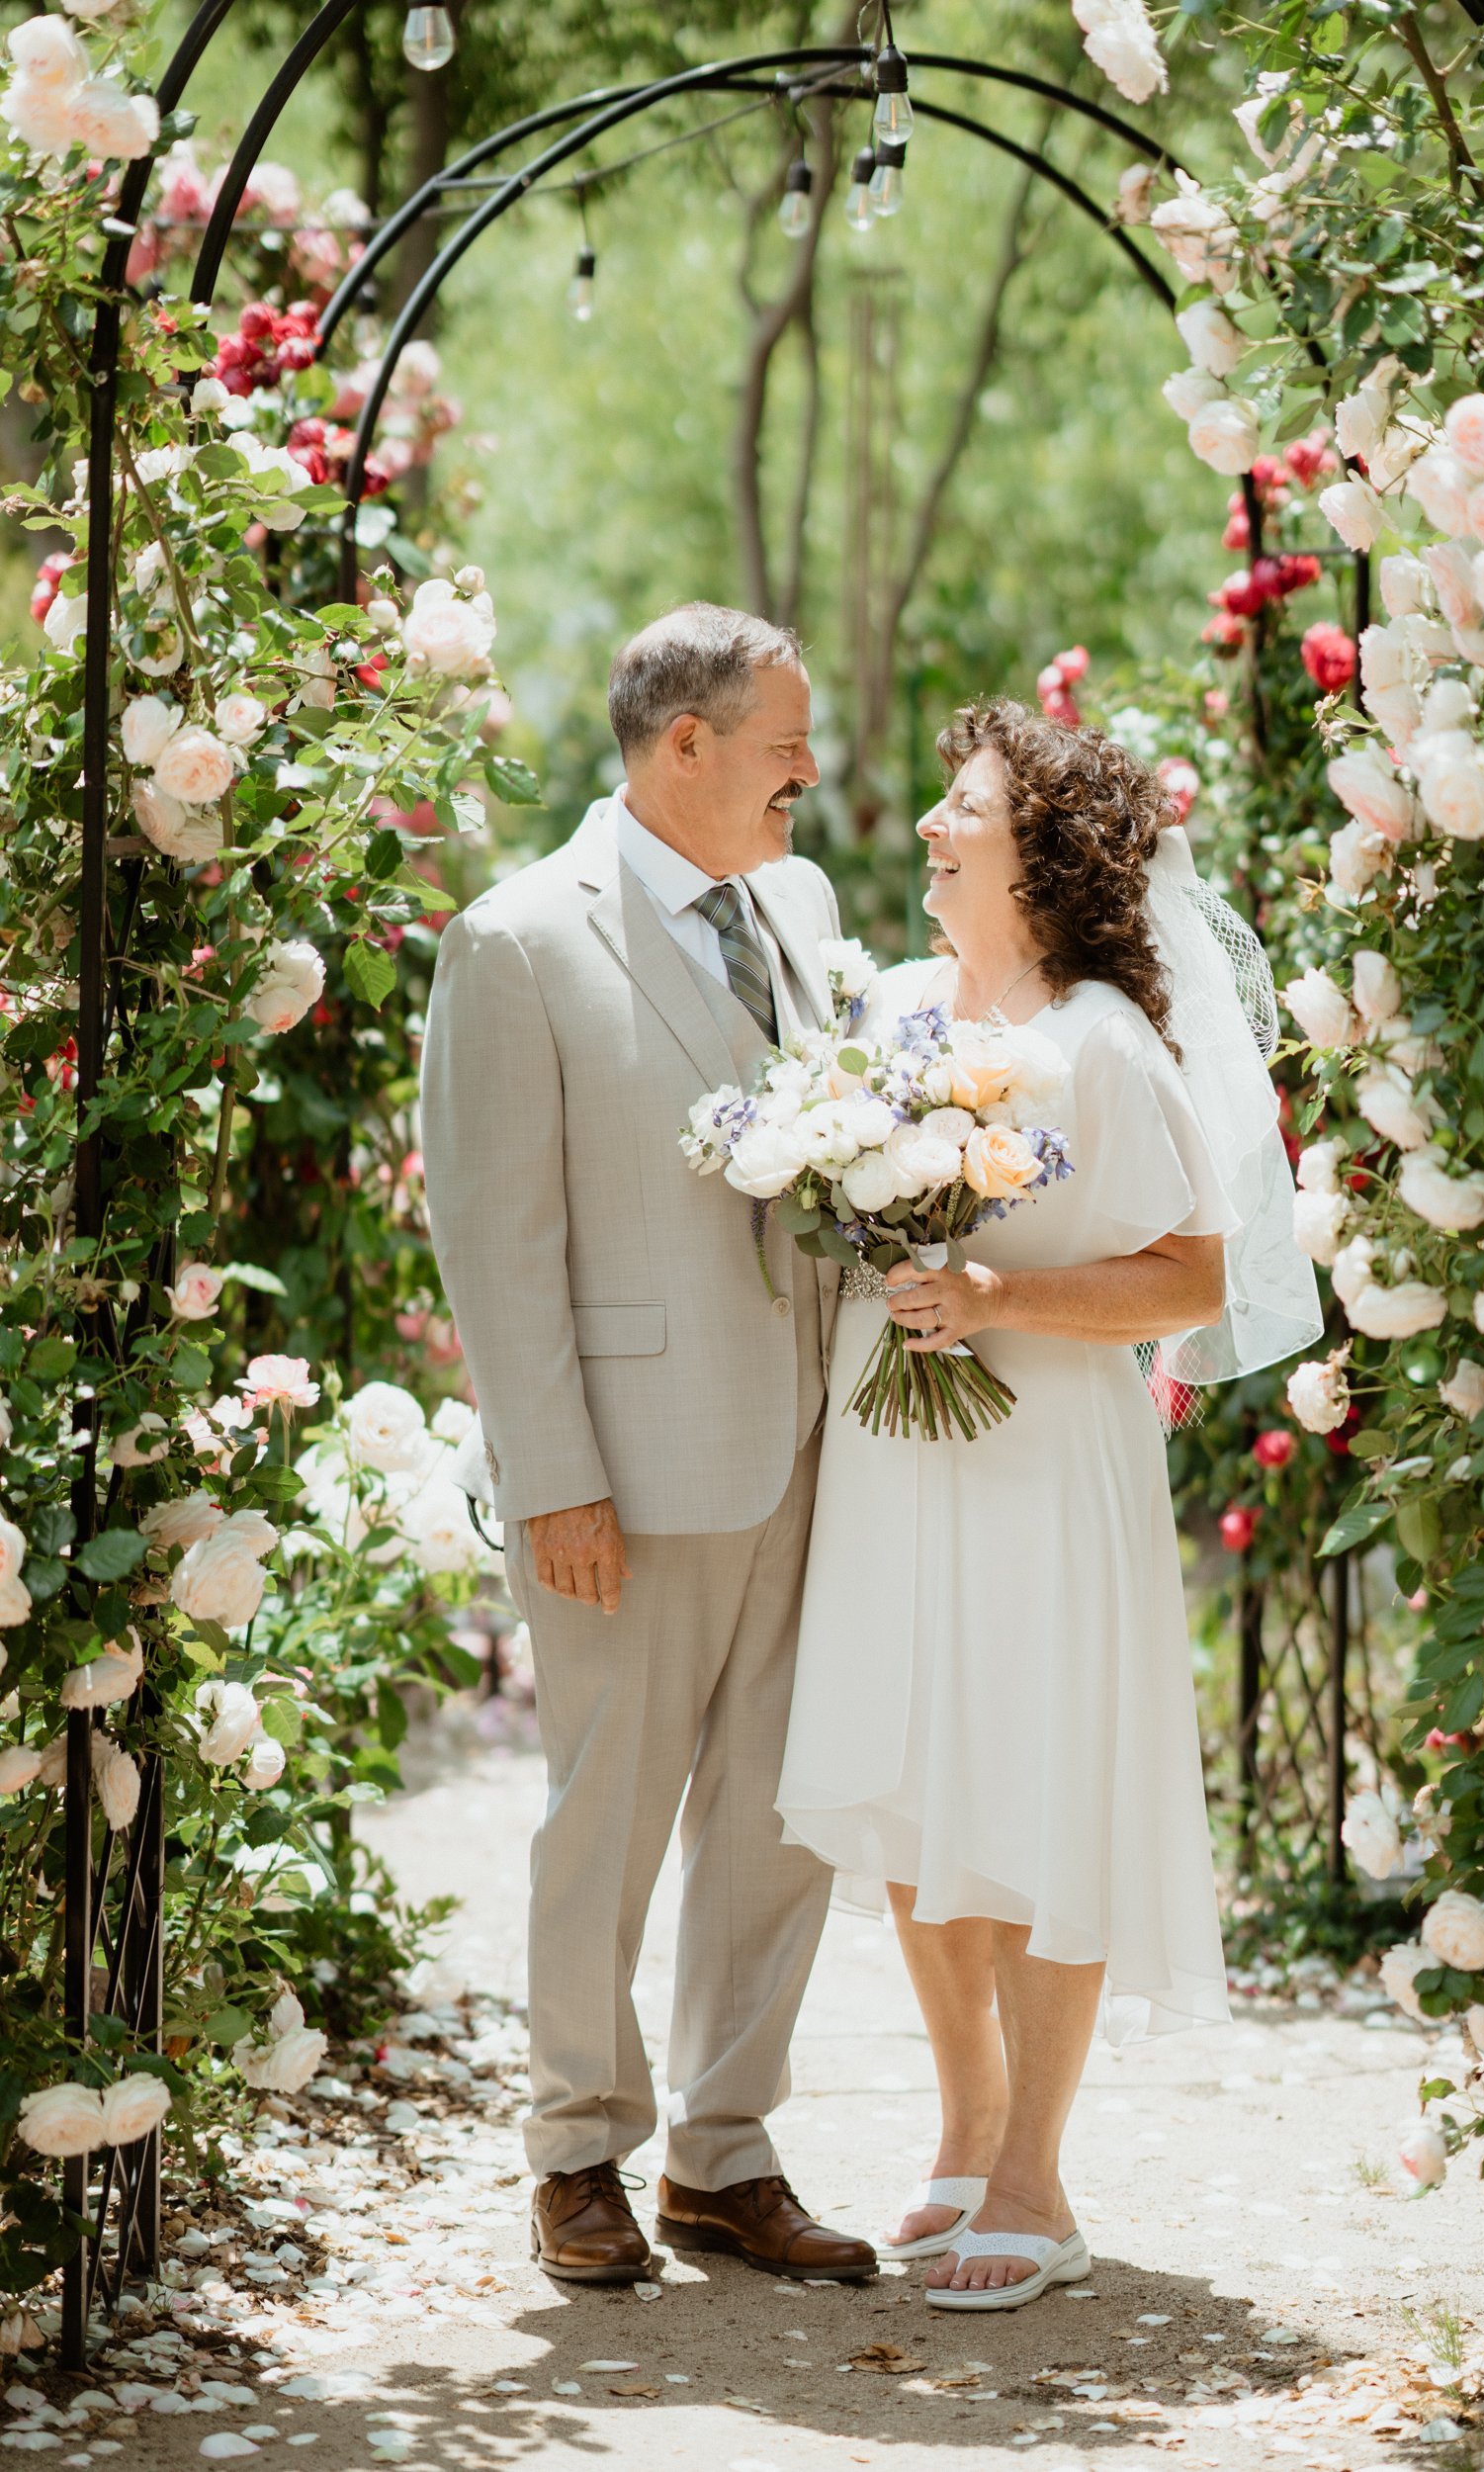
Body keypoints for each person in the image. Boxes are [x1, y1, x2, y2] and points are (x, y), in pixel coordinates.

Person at [776, 699, 1321, 2313]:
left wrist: (996, 1300)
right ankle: (962, 2139)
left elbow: (1191, 1274)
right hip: (899, 1452)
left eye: (961, 809)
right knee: (914, 1777)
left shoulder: (1105, 1041)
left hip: (1043, 1451)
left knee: (1037, 1779)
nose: (930, 831)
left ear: (1041, 859)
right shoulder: (885, 1009)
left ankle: (1039, 2179)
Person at [421, 602, 876, 2287]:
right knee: (604, 1820)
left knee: (781, 1819)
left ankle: (725, 2156)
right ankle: (575, 2149)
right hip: (624, 1461)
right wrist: (555, 1475)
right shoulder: (519, 940)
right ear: (683, 744)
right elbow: (494, 1238)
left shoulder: (802, 911)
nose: (806, 774)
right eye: (781, 745)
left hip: (818, 1450)